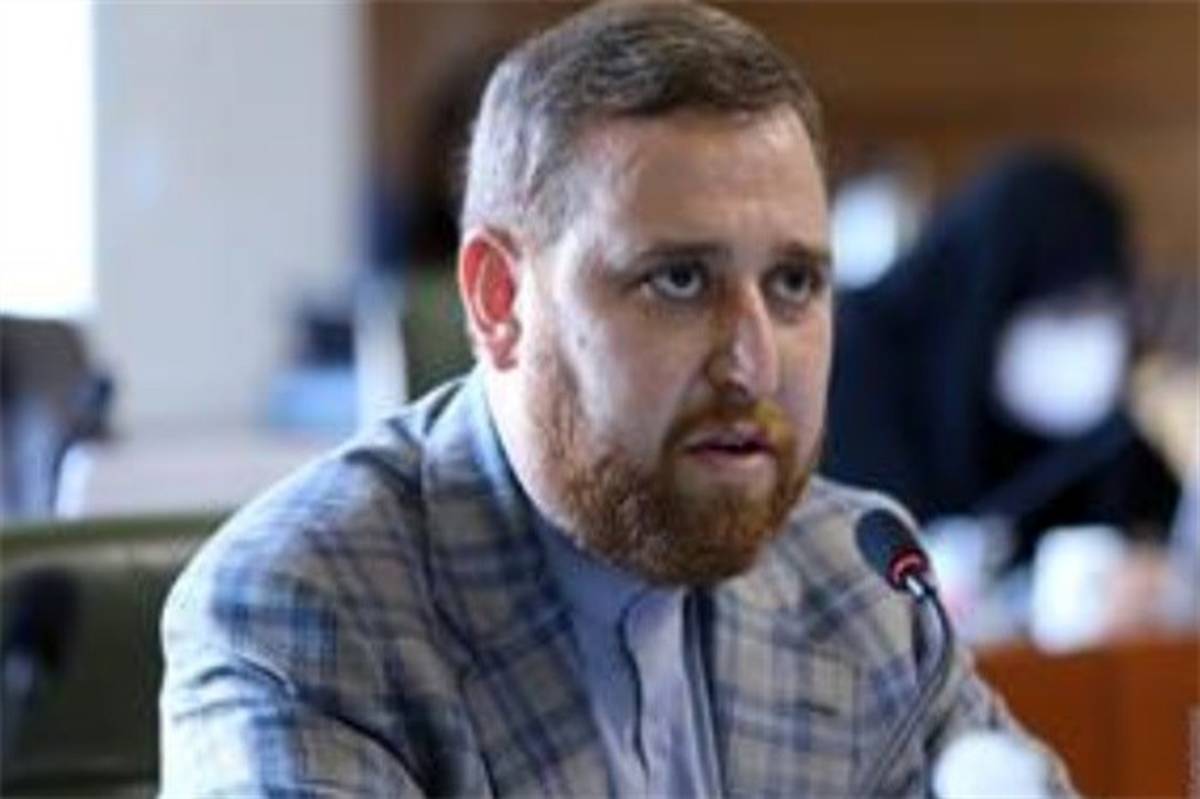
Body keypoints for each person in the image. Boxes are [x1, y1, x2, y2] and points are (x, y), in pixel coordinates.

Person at [160, 4, 1072, 796]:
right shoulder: (305, 610)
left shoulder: (858, 579)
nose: (754, 363)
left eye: (793, 282)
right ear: (500, 299)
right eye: (679, 279)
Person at [825, 150, 1179, 571]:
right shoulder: (857, 365)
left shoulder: (1102, 426)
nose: (1098, 340)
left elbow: (1151, 519)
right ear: (990, 297)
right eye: (1065, 309)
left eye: (1109, 306)